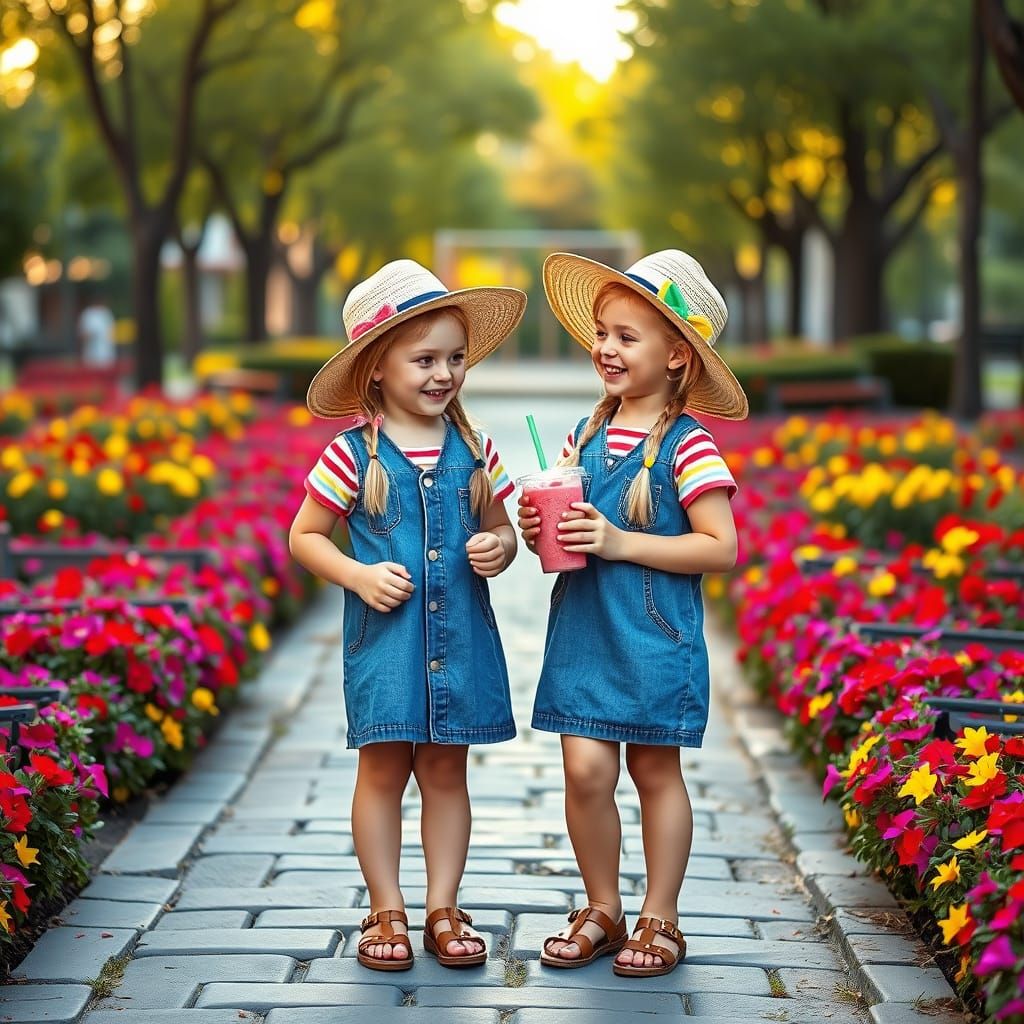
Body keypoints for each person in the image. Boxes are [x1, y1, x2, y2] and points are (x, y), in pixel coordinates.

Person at [289, 259, 526, 971]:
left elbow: (503, 530)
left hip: (460, 643)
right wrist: (357, 574)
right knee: (383, 772)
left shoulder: (476, 450)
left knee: (447, 774)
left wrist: (498, 548)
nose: (442, 373)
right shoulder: (350, 457)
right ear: (377, 370)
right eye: (424, 359)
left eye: (455, 359)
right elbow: (304, 537)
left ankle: (442, 907)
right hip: (386, 643)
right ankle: (385, 905)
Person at [518, 249, 747, 978]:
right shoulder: (583, 437)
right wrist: (536, 531)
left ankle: (662, 914)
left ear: (678, 356)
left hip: (652, 633)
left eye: (627, 337)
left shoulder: (690, 446)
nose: (606, 349)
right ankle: (602, 907)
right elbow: (565, 531)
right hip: (585, 627)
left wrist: (620, 539)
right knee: (584, 771)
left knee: (654, 771)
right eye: (602, 332)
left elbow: (721, 549)